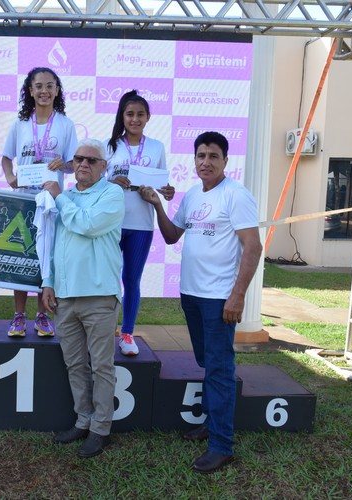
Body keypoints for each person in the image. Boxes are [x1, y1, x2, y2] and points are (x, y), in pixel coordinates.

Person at [139, 131, 262, 473]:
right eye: (200, 156)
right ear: (194, 160)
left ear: (226, 161)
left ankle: (222, 445)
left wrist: (237, 295)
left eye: (213, 156)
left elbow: (253, 247)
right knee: (208, 363)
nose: (206, 161)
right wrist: (157, 205)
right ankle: (211, 422)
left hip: (219, 298)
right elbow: (172, 235)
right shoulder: (192, 196)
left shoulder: (236, 195)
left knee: (220, 369)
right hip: (192, 294)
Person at [41, 138, 125, 458]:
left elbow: (87, 225)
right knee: (75, 364)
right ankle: (83, 419)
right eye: (78, 159)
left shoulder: (112, 193)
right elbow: (54, 243)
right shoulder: (67, 196)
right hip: (65, 296)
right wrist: (48, 283)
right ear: (71, 163)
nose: (83, 164)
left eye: (91, 160)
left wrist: (60, 197)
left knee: (101, 366)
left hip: (99, 296)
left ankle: (101, 428)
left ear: (104, 167)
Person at [2, 67, 78, 338]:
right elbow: (6, 157)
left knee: (46, 258)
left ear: (57, 90)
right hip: (23, 199)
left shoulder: (66, 124)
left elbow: (74, 164)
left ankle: (42, 316)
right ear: (30, 91)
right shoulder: (20, 124)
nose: (44, 91)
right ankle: (18, 316)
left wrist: (64, 164)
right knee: (21, 257)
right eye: (39, 86)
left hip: (50, 201)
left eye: (50, 86)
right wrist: (11, 177)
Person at [104, 90, 174, 356]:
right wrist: (111, 182)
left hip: (142, 224)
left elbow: (162, 183)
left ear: (148, 117)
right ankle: (102, 331)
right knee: (107, 280)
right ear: (122, 116)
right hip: (110, 223)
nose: (135, 119)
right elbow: (94, 183)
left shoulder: (156, 147)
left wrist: (167, 192)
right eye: (129, 114)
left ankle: (127, 334)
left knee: (131, 279)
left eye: (140, 114)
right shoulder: (109, 145)